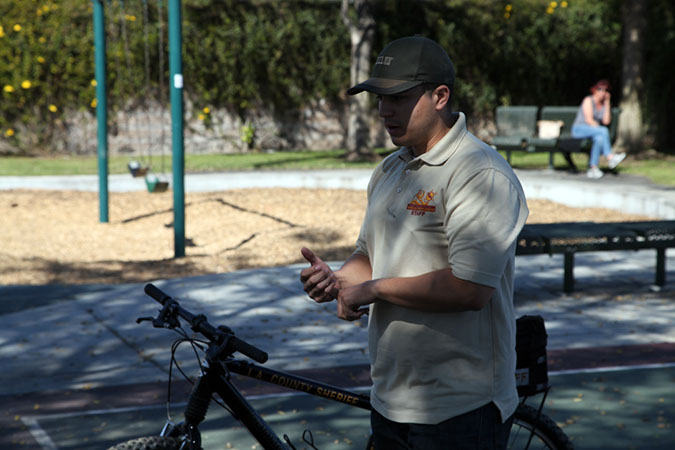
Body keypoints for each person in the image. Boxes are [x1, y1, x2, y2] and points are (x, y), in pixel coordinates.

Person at [299, 36, 529, 449]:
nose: (385, 110)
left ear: (440, 96)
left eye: (398, 97)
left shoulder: (480, 174)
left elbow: (470, 288)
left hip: (461, 408)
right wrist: (338, 281)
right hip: (390, 399)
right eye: (379, 98)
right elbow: (369, 254)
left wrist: (369, 290)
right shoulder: (390, 168)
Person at [571, 79, 626, 179]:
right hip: (579, 130)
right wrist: (600, 129)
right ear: (595, 90)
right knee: (603, 130)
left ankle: (593, 168)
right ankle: (610, 157)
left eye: (606, 90)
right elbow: (589, 120)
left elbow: (606, 121)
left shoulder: (603, 105)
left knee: (599, 139)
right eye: (600, 89)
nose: (603, 92)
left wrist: (607, 102)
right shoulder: (588, 100)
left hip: (592, 131)